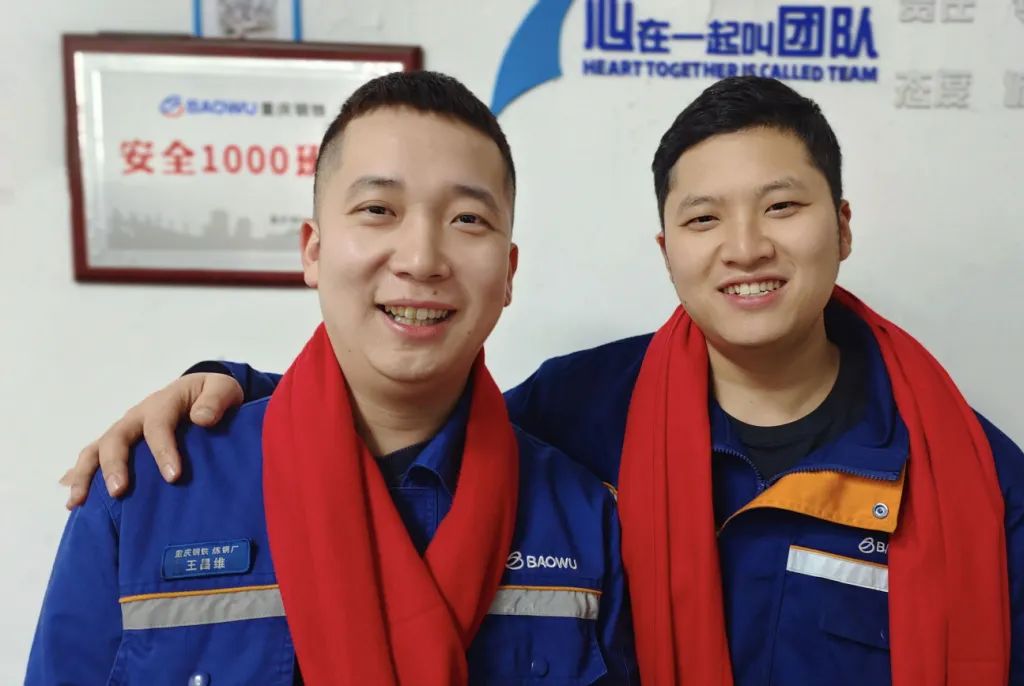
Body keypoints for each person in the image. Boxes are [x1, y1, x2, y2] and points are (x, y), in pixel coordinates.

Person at [62, 76, 1024, 685]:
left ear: (842, 226)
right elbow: (397, 408)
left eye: (783, 207)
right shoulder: (588, 412)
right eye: (703, 218)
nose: (745, 247)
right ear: (667, 249)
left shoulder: (974, 474)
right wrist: (228, 388)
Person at [29, 71, 636, 685]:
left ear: (508, 272)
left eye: (468, 219)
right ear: (313, 251)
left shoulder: (582, 516)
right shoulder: (149, 489)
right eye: (378, 210)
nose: (421, 259)